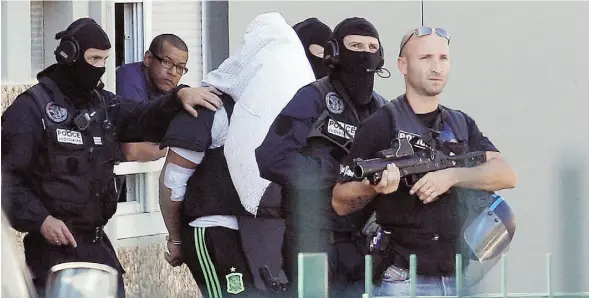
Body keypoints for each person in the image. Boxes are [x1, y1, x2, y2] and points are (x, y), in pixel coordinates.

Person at [1, 18, 220, 298]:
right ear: (69, 55)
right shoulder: (31, 110)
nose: (99, 68)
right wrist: (41, 219)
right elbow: (6, 180)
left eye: (104, 60)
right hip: (53, 253)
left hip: (97, 248)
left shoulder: (103, 104)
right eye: (93, 58)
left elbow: (143, 117)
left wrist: (179, 96)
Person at [331, 26, 518, 297]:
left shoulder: (460, 124)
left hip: (458, 277)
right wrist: (373, 188)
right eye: (426, 58)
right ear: (402, 66)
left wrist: (451, 176)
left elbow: (506, 174)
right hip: (403, 279)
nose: (436, 67)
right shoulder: (380, 125)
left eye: (443, 58)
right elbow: (339, 201)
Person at [255, 17, 389, 297]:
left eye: (371, 47)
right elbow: (271, 157)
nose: (364, 53)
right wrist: (335, 172)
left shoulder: (383, 109)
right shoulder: (312, 98)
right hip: (313, 241)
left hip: (363, 244)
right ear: (335, 53)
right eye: (354, 46)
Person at [116, 33, 223, 162]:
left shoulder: (165, 88)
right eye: (166, 62)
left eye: (180, 67)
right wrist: (177, 151)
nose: (173, 73)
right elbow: (131, 150)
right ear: (148, 59)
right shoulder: (130, 78)